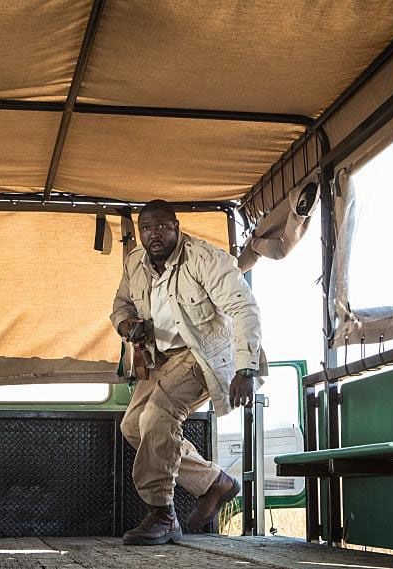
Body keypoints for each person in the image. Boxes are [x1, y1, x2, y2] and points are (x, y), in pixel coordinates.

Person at [111, 199, 265, 545]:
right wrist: (127, 325)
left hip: (204, 354)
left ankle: (162, 514)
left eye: (163, 226)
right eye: (147, 228)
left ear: (177, 227)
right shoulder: (135, 262)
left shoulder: (205, 259)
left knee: (159, 416)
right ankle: (214, 482)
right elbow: (120, 305)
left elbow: (244, 309)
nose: (155, 234)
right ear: (139, 231)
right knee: (134, 426)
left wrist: (246, 368)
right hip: (161, 357)